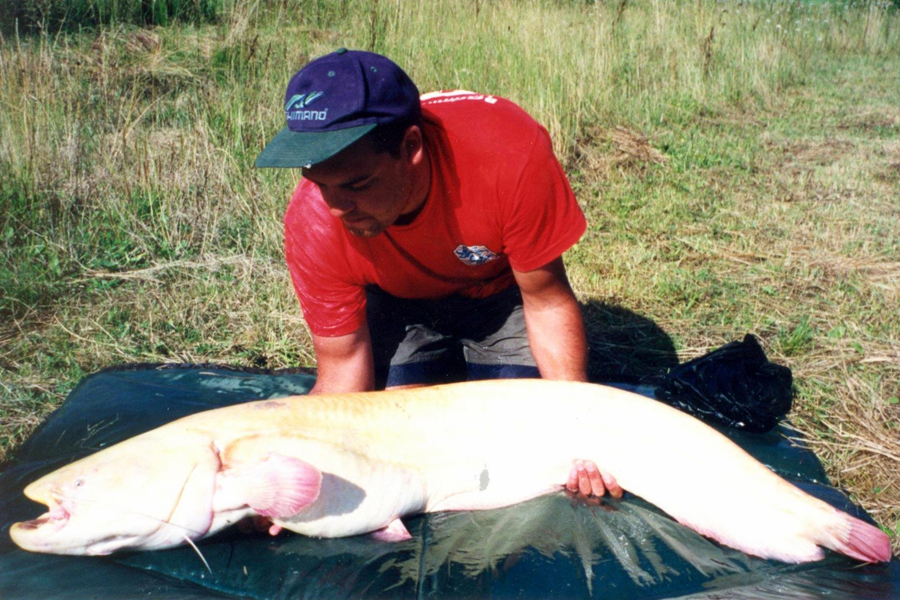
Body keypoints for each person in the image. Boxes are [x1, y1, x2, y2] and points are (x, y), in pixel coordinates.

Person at [255, 49, 620, 512]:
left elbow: (546, 302)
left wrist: (578, 428)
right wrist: (286, 474)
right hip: (398, 302)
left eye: (357, 184)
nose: (336, 207)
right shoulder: (313, 222)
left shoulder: (509, 153)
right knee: (397, 440)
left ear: (411, 148)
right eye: (319, 182)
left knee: (524, 440)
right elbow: (342, 368)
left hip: (496, 296)